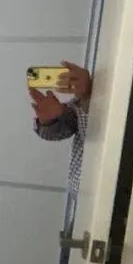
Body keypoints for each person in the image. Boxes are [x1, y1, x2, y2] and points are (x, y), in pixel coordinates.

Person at [29, 60, 92, 198]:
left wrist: (87, 97)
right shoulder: (91, 88)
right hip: (85, 196)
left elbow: (99, 134)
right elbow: (70, 123)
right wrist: (49, 122)